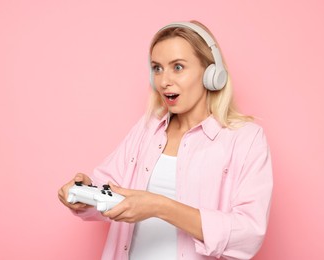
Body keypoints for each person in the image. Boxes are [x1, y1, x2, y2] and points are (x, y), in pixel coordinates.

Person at [58, 20, 273, 260]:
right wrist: (85, 196)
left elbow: (249, 233)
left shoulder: (246, 139)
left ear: (212, 73)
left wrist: (160, 207)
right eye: (157, 68)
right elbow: (113, 190)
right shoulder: (147, 128)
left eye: (178, 67)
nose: (163, 81)